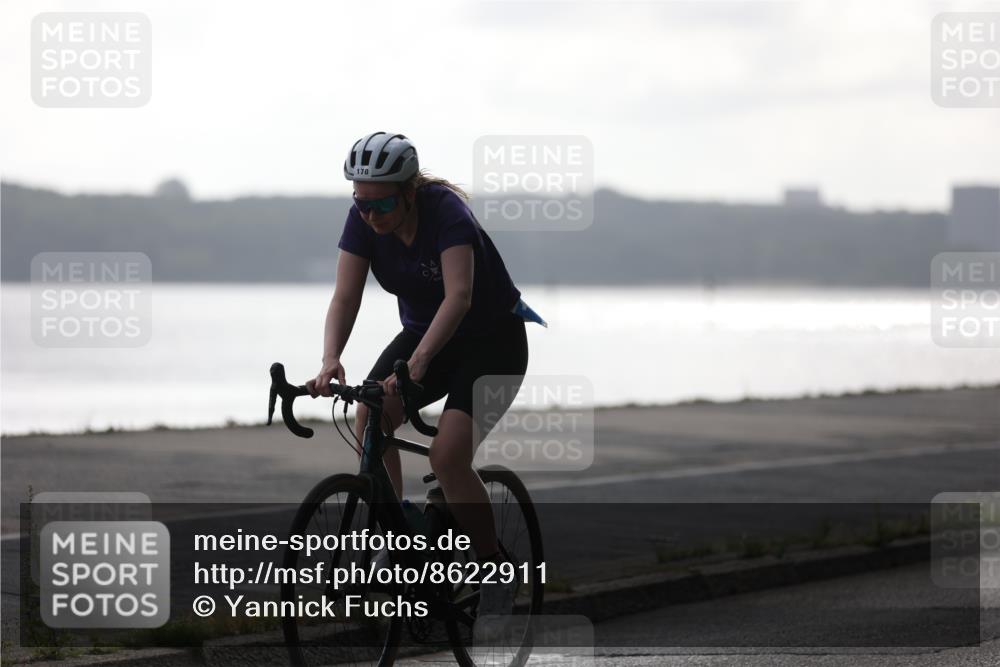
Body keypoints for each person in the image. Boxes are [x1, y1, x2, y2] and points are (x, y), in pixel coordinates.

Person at [306, 131, 532, 616]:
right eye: (361, 204)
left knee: (449, 457)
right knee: (369, 417)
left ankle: (493, 569)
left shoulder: (445, 211)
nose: (370, 215)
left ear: (410, 192)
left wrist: (419, 364)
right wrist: (330, 358)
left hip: (492, 342)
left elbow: (460, 298)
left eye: (381, 204)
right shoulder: (364, 219)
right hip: (426, 336)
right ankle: (402, 531)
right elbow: (346, 298)